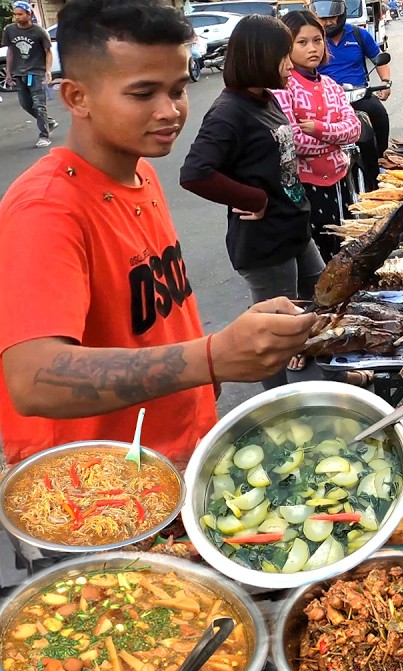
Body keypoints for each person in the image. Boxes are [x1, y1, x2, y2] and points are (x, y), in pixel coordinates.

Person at [0, 0, 313, 466]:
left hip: (178, 451)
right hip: (99, 491)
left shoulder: (140, 174)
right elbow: (33, 378)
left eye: (178, 89)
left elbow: (151, 315)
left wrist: (224, 351)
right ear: (76, 98)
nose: (170, 111)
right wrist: (211, 356)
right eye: (143, 93)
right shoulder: (45, 208)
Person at [180, 15, 315, 391]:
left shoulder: (265, 98)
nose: (290, 64)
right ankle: (280, 405)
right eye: (283, 56)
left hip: (294, 230)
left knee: (319, 302)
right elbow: (194, 172)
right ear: (258, 58)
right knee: (276, 331)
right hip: (265, 244)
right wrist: (252, 197)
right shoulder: (228, 113)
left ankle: (330, 377)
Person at [275, 10, 361, 263]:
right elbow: (294, 141)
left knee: (344, 251)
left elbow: (354, 129)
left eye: (317, 40)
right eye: (302, 42)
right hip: (304, 187)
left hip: (339, 181)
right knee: (319, 259)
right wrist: (335, 140)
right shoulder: (282, 87)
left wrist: (320, 129)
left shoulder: (331, 85)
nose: (312, 48)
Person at [313, 0, 391, 189]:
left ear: (341, 15)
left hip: (357, 94)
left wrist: (386, 83)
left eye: (331, 16)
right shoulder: (315, 39)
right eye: (322, 18)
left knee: (379, 114)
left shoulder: (358, 34)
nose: (327, 22)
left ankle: (381, 163)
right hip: (324, 98)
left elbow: (379, 59)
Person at [3, 1, 57, 148]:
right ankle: (49, 122)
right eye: (15, 14)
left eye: (20, 14)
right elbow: (10, 51)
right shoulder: (10, 30)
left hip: (36, 72)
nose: (17, 17)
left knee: (39, 105)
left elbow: (48, 52)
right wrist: (8, 73)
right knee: (26, 104)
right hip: (19, 74)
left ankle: (44, 135)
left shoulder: (39, 32)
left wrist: (48, 71)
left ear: (29, 14)